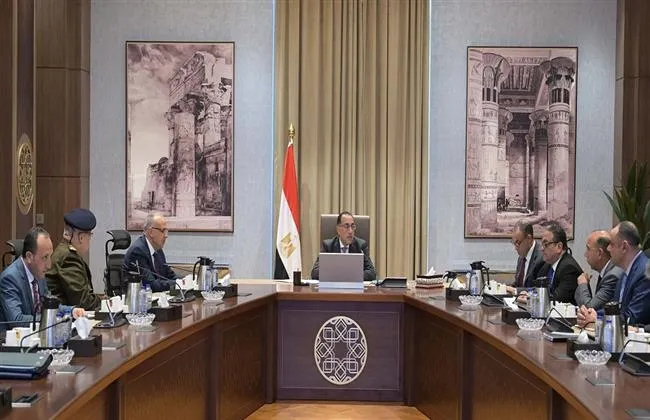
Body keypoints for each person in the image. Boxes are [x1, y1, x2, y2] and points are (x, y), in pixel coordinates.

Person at [0, 227, 85, 331]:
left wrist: (71, 311)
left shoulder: (38, 272)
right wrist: (52, 319)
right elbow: (16, 320)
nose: (49, 265)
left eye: (50, 256)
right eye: (45, 257)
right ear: (29, 256)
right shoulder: (9, 278)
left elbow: (49, 305)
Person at [578, 221, 650, 327]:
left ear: (624, 247)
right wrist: (591, 314)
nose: (608, 249)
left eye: (612, 244)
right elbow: (616, 310)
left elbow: (632, 318)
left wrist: (597, 318)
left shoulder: (645, 273)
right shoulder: (624, 273)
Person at [46, 208, 101, 310]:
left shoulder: (64, 251)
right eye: (90, 236)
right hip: (62, 316)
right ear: (81, 237)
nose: (90, 240)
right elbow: (84, 302)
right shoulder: (68, 257)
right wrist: (106, 303)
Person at [311, 211, 376, 281]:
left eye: (352, 226)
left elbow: (371, 273)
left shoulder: (361, 246)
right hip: (334, 286)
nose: (350, 231)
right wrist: (344, 275)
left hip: (354, 287)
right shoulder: (328, 246)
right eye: (346, 226)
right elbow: (315, 273)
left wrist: (347, 275)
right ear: (338, 230)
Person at [123, 212, 178, 292]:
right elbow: (150, 285)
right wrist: (176, 284)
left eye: (166, 231)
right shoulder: (138, 251)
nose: (166, 236)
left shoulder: (158, 250)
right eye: (163, 231)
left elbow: (169, 275)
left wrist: (184, 282)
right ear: (151, 232)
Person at [533, 221, 582, 304]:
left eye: (546, 244)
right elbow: (536, 289)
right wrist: (527, 295)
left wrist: (531, 299)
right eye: (542, 244)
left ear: (559, 247)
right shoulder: (546, 266)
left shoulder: (569, 269)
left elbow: (557, 300)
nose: (542, 249)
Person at [574, 230, 623, 310]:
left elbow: (589, 309)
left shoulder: (612, 276)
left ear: (600, 253)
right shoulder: (607, 272)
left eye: (588, 249)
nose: (585, 254)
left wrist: (582, 284)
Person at [506, 221, 545, 295]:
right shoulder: (521, 258)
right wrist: (503, 288)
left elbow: (539, 290)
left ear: (529, 239)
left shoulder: (542, 258)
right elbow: (518, 284)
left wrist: (516, 291)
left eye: (518, 243)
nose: (515, 248)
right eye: (514, 243)